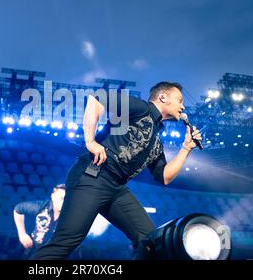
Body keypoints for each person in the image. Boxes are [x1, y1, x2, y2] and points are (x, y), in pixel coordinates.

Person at [32, 82, 202, 260]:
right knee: (65, 242)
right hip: (93, 176)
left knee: (150, 241)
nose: (183, 106)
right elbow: (98, 98)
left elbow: (164, 176)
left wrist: (186, 148)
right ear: (163, 97)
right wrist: (90, 142)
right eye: (180, 100)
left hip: (116, 188)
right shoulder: (142, 108)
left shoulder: (156, 142)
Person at [13, 184, 66, 258]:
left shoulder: (71, 214)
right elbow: (18, 209)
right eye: (61, 198)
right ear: (53, 197)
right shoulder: (41, 206)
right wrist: (22, 234)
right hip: (33, 248)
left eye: (67, 199)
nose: (64, 202)